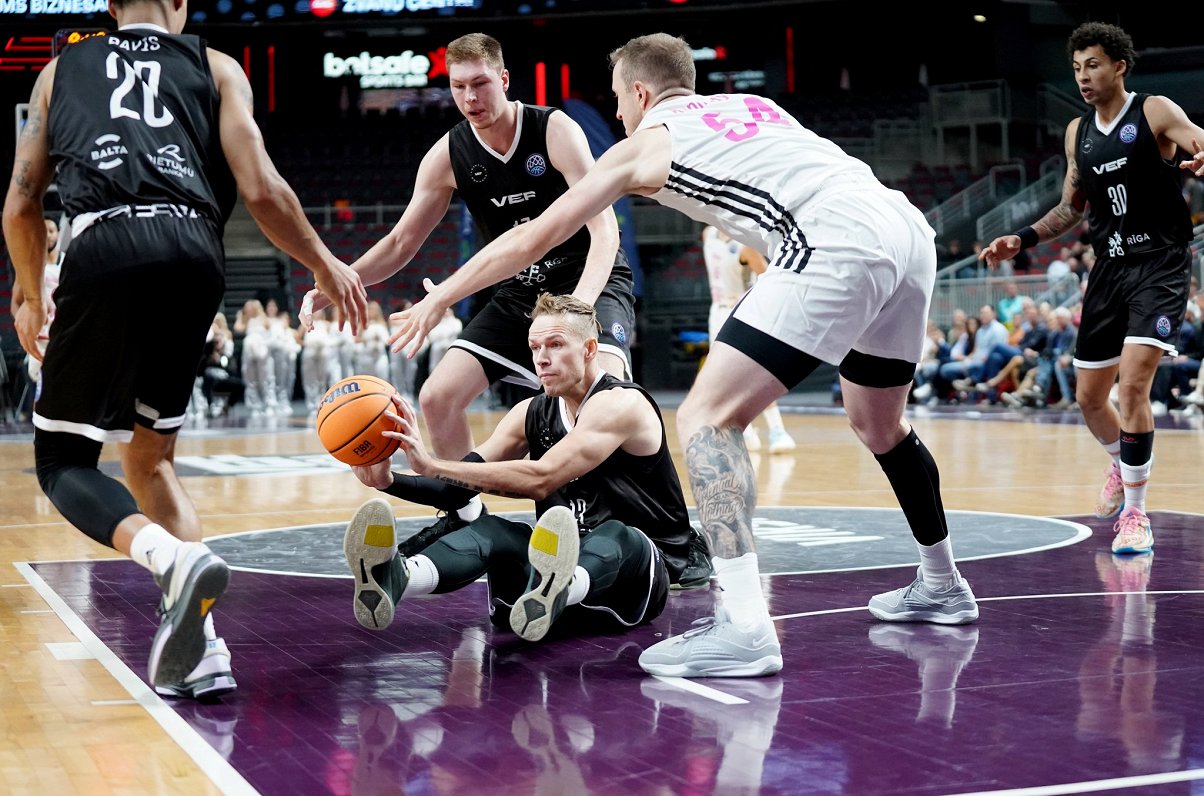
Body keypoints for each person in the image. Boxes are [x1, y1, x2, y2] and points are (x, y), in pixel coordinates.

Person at [391, 33, 979, 678]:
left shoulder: (641, 144)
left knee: (706, 419)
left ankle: (746, 626)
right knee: (879, 424)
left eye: (618, 100)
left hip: (830, 237)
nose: (617, 115)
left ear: (641, 93)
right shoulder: (753, 106)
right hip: (904, 227)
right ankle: (942, 583)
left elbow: (536, 236)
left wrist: (440, 297)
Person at [2, 0, 367, 697]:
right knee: (152, 457)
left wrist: (30, 294)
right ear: (181, 5)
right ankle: (206, 651)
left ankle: (167, 558)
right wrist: (322, 261)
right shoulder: (218, 65)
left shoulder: (59, 70)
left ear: (110, 8)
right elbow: (260, 188)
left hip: (104, 241)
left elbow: (21, 204)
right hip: (195, 251)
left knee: (62, 461)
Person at [303, 33, 637, 533]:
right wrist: (338, 283)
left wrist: (579, 309)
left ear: (503, 79)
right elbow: (400, 244)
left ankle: (643, 526)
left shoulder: (553, 129)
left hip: (591, 275)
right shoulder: (448, 155)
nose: (471, 98)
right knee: (438, 396)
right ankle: (467, 516)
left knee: (608, 393)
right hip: (522, 289)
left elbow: (605, 227)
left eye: (481, 84)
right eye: (459, 87)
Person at [342, 294, 712, 650]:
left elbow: (542, 478)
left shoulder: (622, 404)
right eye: (535, 348)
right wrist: (390, 481)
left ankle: (560, 586)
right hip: (537, 595)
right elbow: (459, 489)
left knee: (619, 535)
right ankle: (400, 577)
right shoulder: (529, 413)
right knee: (491, 529)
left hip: (633, 584)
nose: (542, 359)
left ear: (589, 349)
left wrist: (433, 462)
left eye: (555, 345)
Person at [980, 21, 1204, 554]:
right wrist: (1022, 237)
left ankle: (1135, 515)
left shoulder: (1155, 111)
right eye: (1077, 67)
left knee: (1132, 386)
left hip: (1161, 265)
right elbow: (1069, 208)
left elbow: (1198, 139)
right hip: (1108, 270)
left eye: (1094, 64)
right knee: (1088, 397)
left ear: (1119, 65)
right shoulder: (1077, 132)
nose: (1083, 76)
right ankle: (1119, 462)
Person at [700, 225, 795, 454]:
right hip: (718, 311)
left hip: (743, 312)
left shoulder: (745, 244)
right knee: (725, 377)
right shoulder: (708, 234)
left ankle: (777, 430)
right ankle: (747, 432)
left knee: (752, 376)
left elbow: (770, 279)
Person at [10, 215, 64, 419]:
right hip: (40, 339)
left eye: (51, 230)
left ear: (57, 233)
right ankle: (42, 436)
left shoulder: (69, 262)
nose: (47, 235)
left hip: (63, 336)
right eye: (43, 230)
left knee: (64, 390)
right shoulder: (28, 265)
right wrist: (24, 327)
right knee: (41, 395)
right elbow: (15, 303)